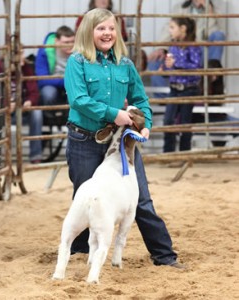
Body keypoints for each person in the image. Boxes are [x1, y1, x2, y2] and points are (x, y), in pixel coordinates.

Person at [64, 8, 184, 268]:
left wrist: (146, 125)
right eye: (100, 28)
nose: (107, 33)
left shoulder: (125, 64)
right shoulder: (77, 61)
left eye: (110, 28)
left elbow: (141, 99)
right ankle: (82, 252)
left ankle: (164, 255)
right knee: (86, 195)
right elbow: (78, 100)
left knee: (140, 198)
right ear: (89, 32)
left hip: (121, 142)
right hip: (84, 140)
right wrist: (114, 113)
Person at [148, 0, 225, 98]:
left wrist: (209, 12)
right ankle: (164, 98)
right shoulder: (180, 7)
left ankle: (211, 75)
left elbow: (213, 33)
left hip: (199, 50)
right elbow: (170, 28)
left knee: (219, 36)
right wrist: (161, 48)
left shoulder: (215, 10)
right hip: (180, 48)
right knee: (155, 60)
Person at [0, 49, 43, 163]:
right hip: (2, 109)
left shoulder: (26, 68)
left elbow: (34, 91)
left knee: (37, 113)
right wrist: (5, 104)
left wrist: (29, 101)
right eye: (19, 53)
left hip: (22, 108)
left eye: (22, 53)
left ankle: (36, 156)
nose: (22, 56)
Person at [163, 17, 202, 153]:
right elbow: (170, 66)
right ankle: (168, 153)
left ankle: (184, 153)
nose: (170, 30)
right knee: (168, 121)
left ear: (183, 28)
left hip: (189, 89)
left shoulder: (193, 46)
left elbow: (196, 67)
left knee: (185, 123)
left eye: (172, 27)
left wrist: (175, 65)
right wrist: (166, 67)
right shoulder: (173, 46)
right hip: (174, 88)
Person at [35, 25, 75, 107]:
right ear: (57, 41)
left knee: (75, 96)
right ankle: (51, 118)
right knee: (48, 93)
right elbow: (42, 79)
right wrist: (66, 81)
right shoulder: (45, 50)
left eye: (73, 41)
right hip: (53, 83)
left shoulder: (79, 50)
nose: (71, 45)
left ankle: (73, 118)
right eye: (66, 42)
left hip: (72, 84)